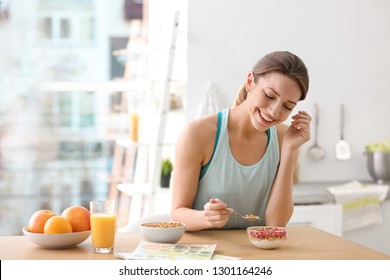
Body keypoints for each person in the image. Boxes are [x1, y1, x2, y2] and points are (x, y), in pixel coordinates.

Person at [170, 51, 311, 231]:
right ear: (250, 82)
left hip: (259, 254)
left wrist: (289, 151)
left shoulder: (285, 139)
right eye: (269, 95)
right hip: (207, 252)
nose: (275, 112)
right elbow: (177, 213)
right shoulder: (198, 134)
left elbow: (276, 224)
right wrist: (205, 218)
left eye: (287, 106)